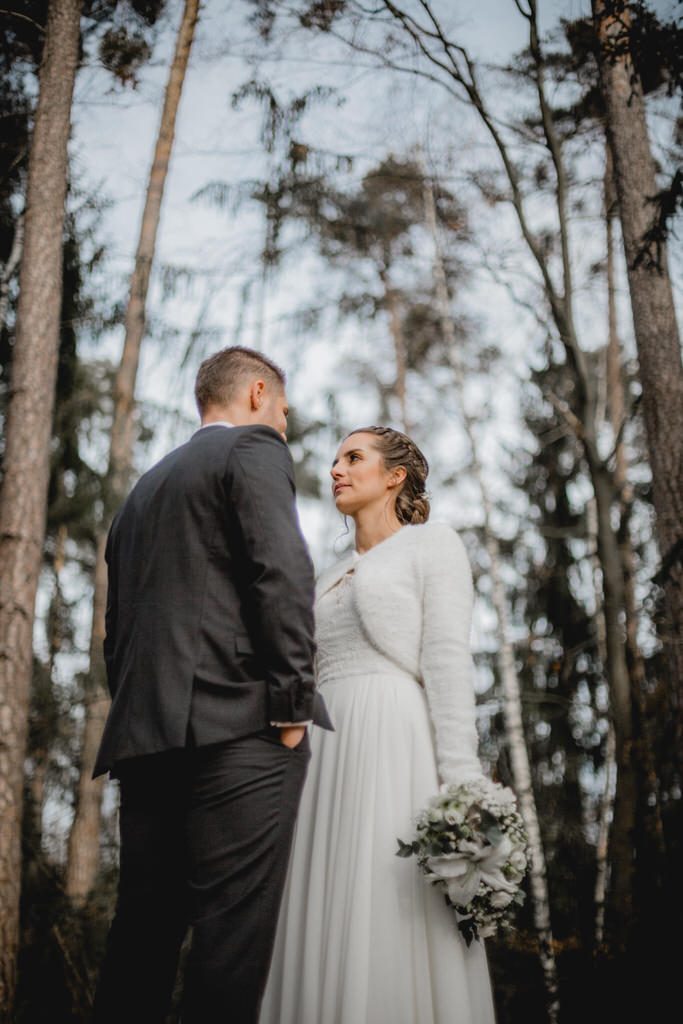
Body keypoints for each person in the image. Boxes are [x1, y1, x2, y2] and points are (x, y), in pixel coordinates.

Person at [92, 345, 332, 1024]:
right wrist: (289, 705)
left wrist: (141, 717)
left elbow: (118, 632)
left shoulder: (142, 492)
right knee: (229, 947)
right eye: (283, 411)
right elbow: (282, 573)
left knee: (139, 941)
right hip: (240, 731)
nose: (283, 425)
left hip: (146, 742)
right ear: (257, 395)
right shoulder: (252, 450)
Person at [259, 425, 496, 1024]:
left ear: (394, 476)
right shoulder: (327, 571)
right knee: (321, 900)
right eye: (336, 458)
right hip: (321, 751)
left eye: (353, 457)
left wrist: (462, 783)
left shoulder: (432, 545)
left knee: (385, 898)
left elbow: (446, 659)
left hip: (394, 740)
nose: (337, 468)